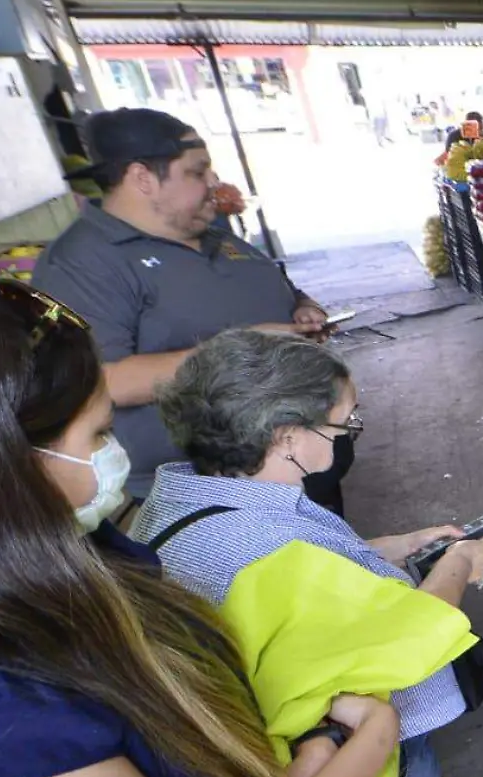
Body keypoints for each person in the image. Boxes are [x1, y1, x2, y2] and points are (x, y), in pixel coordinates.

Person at [0, 277, 399, 777]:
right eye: (98, 434)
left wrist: (307, 761)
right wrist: (370, 740)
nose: (118, 458)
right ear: (1, 470)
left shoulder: (64, 554)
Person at [132, 330, 483, 777]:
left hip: (278, 746)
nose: (349, 435)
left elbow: (312, 561)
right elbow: (413, 633)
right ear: (287, 437)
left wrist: (396, 547)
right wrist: (461, 563)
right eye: (342, 424)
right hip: (352, 754)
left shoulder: (186, 497)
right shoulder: (266, 547)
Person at [29, 108, 354, 512]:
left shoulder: (216, 235)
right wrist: (245, 347)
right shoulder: (82, 263)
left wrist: (303, 309)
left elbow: (282, 290)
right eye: (197, 172)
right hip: (208, 496)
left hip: (299, 459)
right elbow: (102, 381)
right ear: (142, 178)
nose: (213, 182)